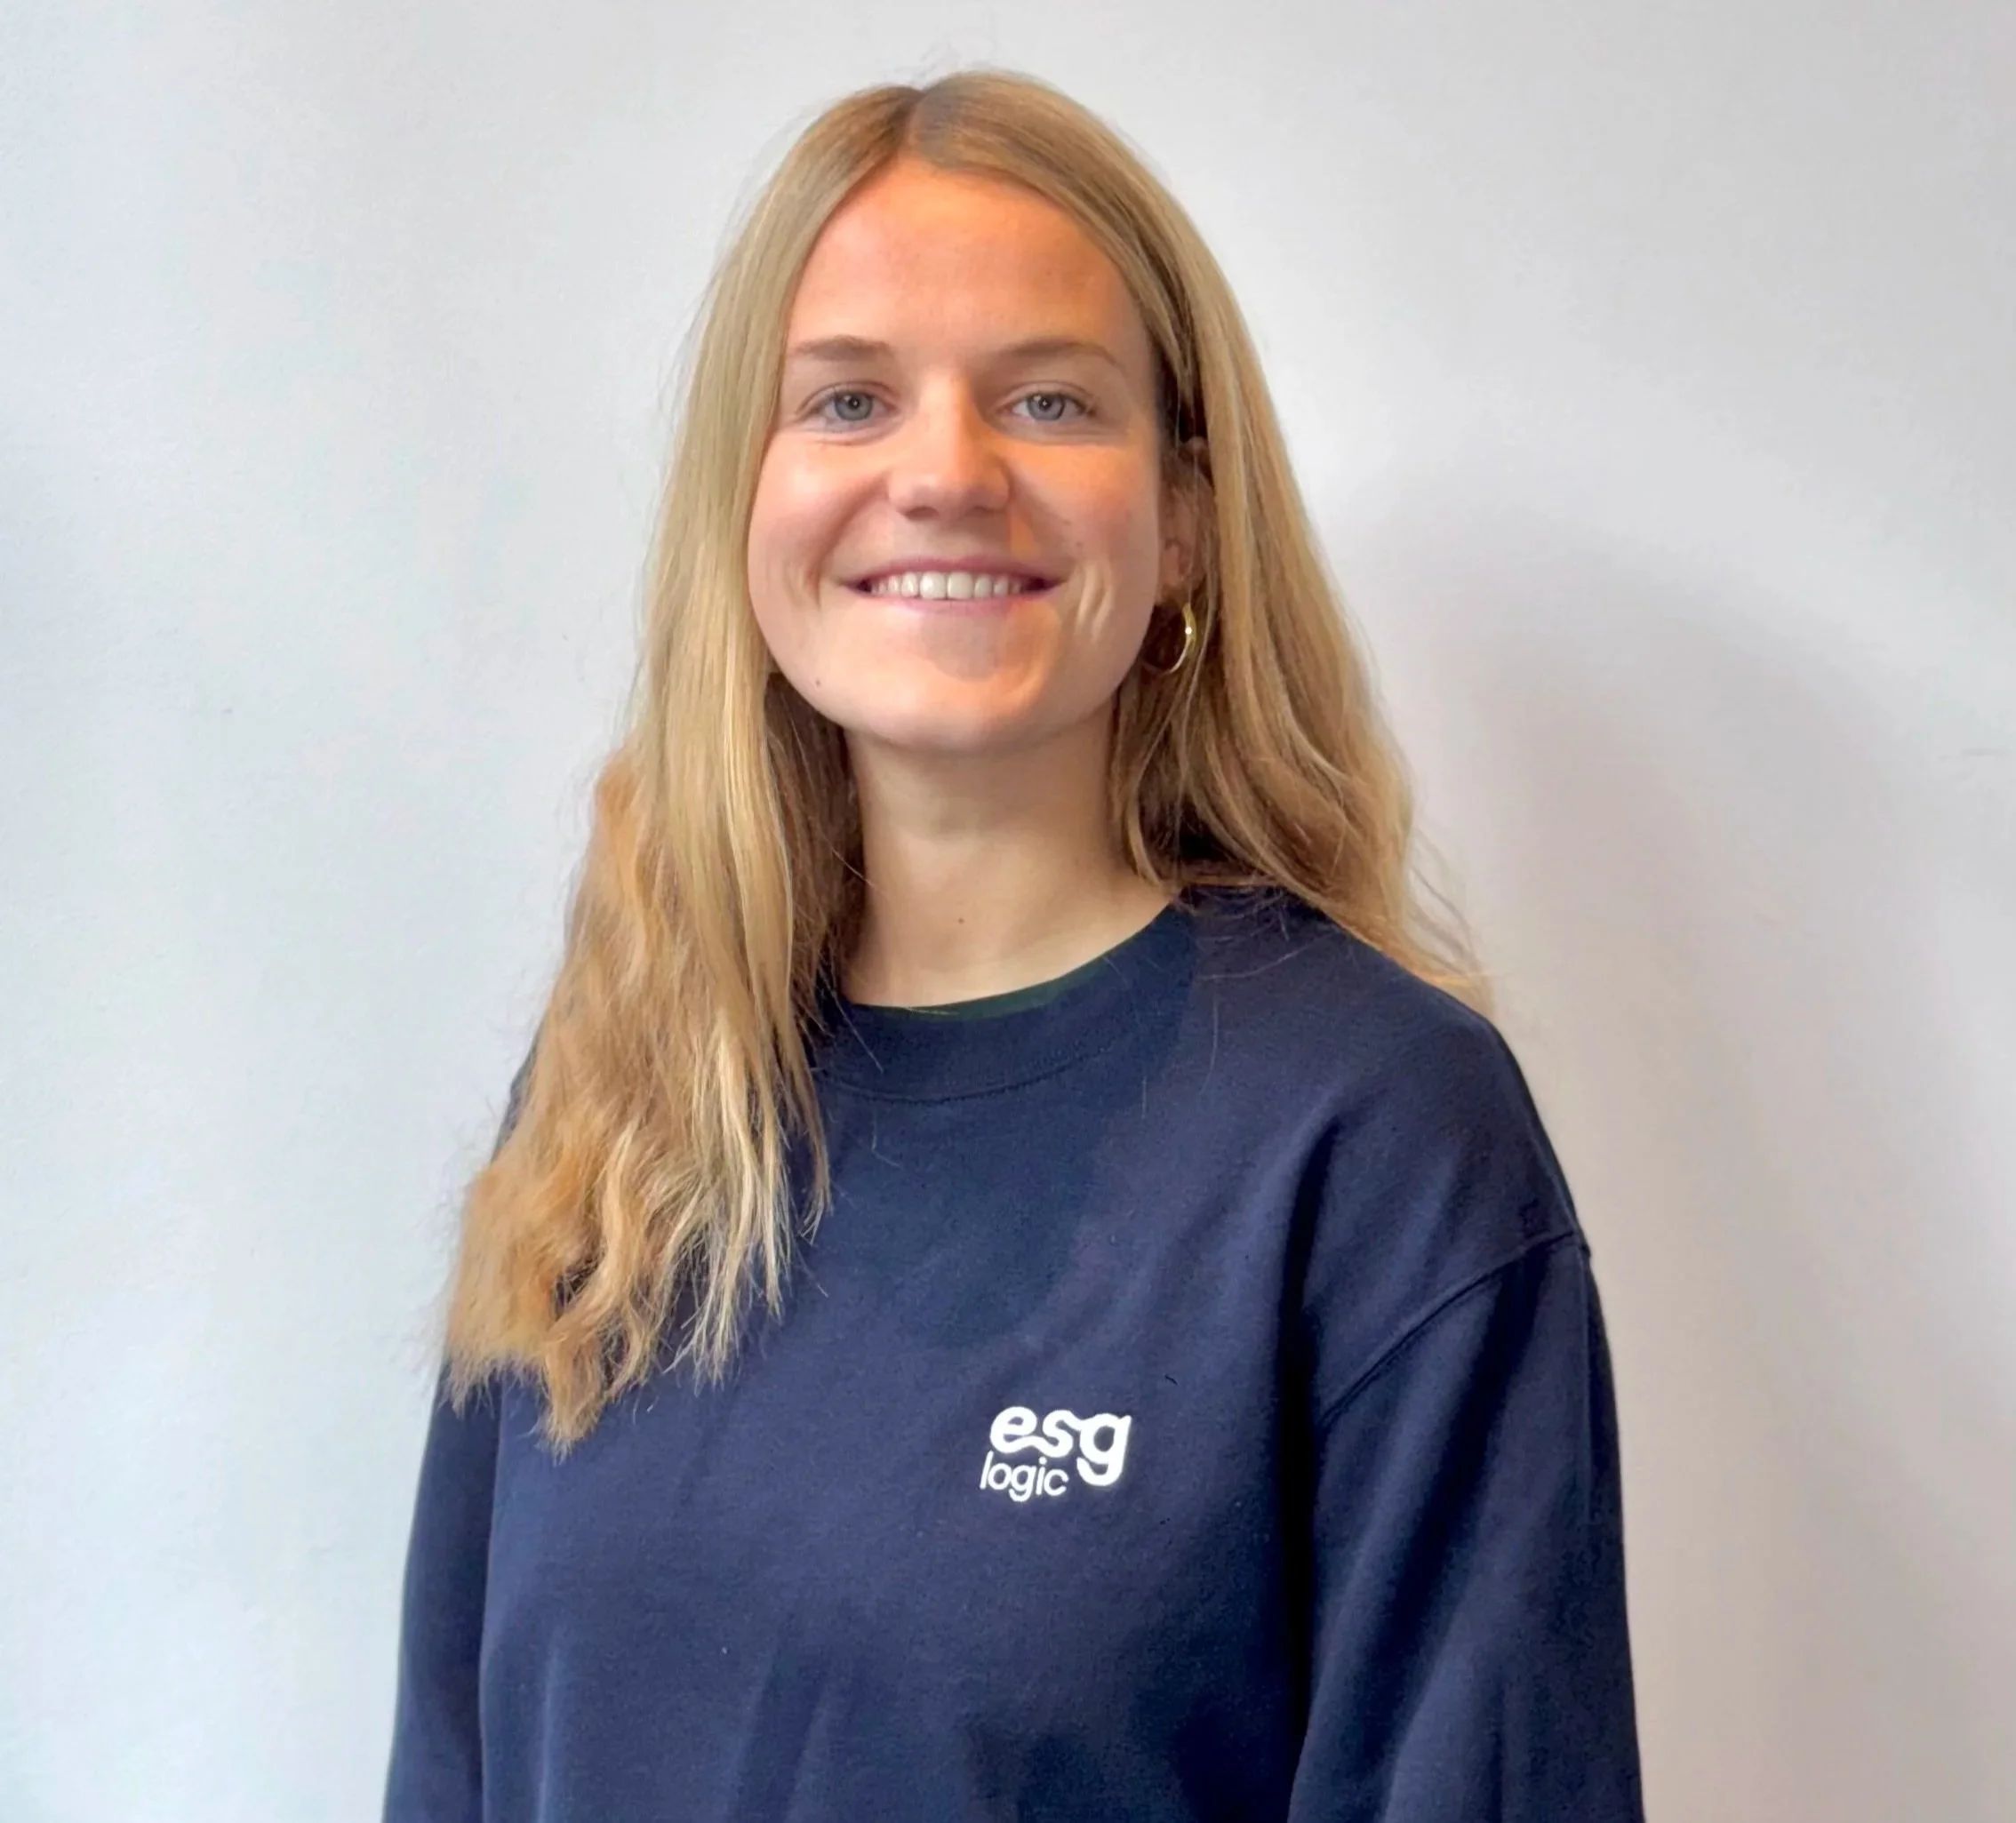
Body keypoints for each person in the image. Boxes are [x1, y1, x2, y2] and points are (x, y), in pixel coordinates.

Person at [381, 68, 1644, 1823]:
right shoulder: (621, 1078)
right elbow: (450, 1770)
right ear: (745, 505)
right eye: (847, 400)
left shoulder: (1378, 1139)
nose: (946, 473)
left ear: (1185, 511)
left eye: (1049, 398)